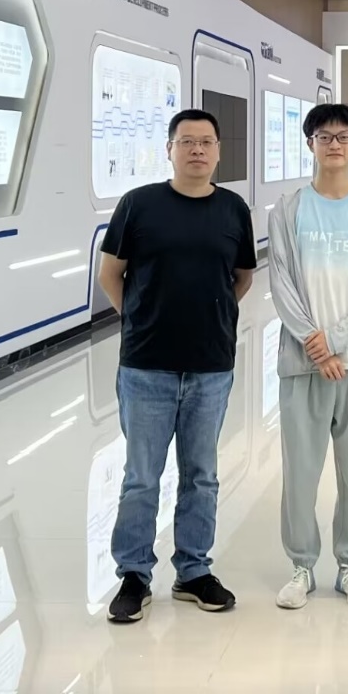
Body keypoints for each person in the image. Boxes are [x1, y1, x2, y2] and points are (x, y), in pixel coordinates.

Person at [98, 109, 256, 622]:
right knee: (142, 476)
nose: (197, 150)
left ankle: (193, 570)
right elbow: (110, 273)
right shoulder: (139, 204)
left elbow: (242, 277)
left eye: (206, 142)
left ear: (218, 151)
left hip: (211, 366)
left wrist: (212, 319)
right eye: (186, 141)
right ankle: (134, 575)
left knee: (202, 475)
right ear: (169, 149)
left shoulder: (233, 208)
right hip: (146, 366)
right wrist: (139, 319)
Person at [268, 103, 348, 610]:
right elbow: (280, 281)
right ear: (311, 144)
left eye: (344, 136)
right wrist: (314, 342)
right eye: (324, 136)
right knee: (300, 474)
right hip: (303, 364)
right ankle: (301, 566)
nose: (334, 144)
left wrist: (337, 341)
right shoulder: (289, 210)